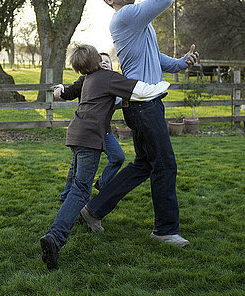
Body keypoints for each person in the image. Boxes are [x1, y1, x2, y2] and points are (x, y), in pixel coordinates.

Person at [79, 0, 200, 247]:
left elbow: (153, 58)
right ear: (110, 1)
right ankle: (165, 230)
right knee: (165, 165)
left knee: (145, 164)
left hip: (143, 104)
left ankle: (93, 209)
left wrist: (182, 62)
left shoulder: (136, 22)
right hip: (143, 106)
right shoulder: (125, 16)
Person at [40, 44, 171, 270]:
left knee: (78, 185)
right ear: (96, 60)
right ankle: (55, 237)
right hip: (90, 137)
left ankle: (56, 233)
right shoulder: (108, 77)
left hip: (76, 134)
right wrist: (163, 85)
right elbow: (141, 90)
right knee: (81, 190)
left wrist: (61, 88)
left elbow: (71, 92)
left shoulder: (88, 79)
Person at [55, 53, 126, 200]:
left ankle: (102, 183)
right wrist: (61, 88)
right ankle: (66, 195)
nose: (105, 63)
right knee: (76, 166)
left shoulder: (113, 82)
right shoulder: (86, 80)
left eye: (108, 61)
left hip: (104, 131)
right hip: (87, 131)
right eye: (102, 61)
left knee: (118, 157)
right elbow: (70, 92)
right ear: (96, 64)